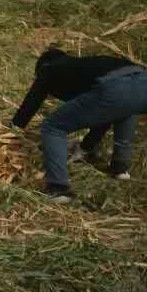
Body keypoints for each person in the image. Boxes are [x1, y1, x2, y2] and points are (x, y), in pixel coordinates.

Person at [10, 48, 145, 202]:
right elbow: (106, 114)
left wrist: (11, 132)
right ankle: (120, 170)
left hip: (118, 87)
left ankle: (58, 189)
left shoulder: (49, 69)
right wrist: (86, 147)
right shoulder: (85, 66)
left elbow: (30, 104)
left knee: (53, 127)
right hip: (141, 80)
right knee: (124, 110)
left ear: (42, 66)